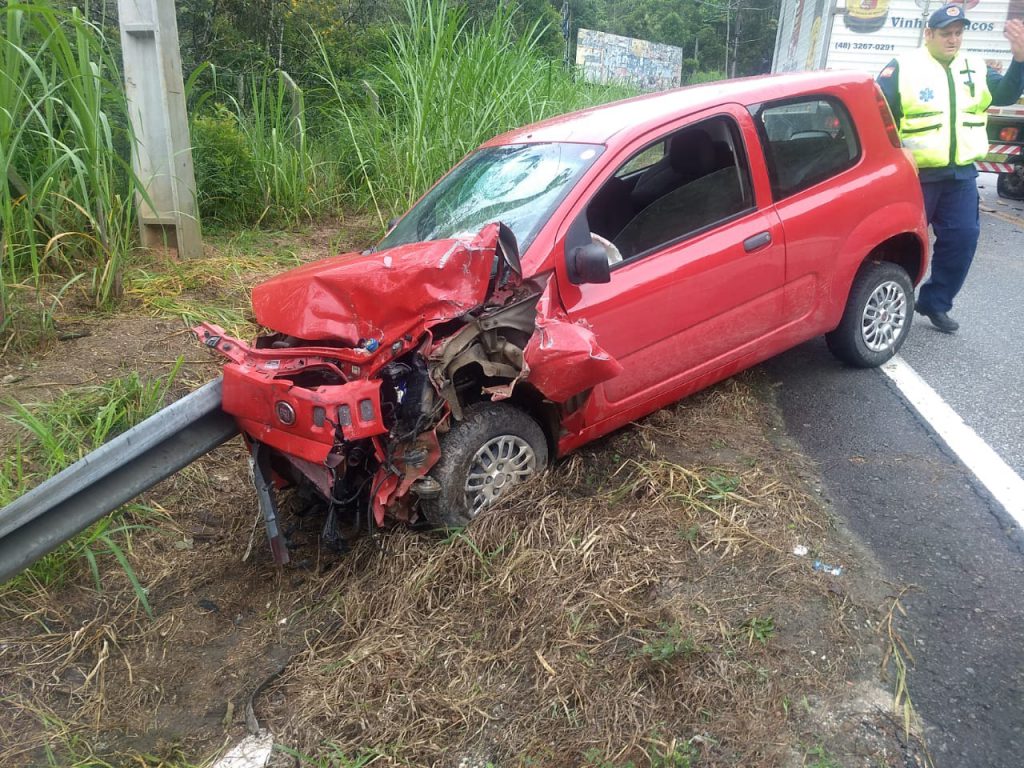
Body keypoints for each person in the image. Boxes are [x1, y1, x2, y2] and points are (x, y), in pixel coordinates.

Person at [877, 4, 1024, 333]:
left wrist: (1019, 60)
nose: (954, 39)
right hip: (916, 177)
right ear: (929, 34)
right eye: (946, 33)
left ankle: (935, 302)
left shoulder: (974, 65)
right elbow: (881, 114)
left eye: (958, 33)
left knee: (963, 239)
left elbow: (1005, 94)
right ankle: (879, 301)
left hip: (960, 175)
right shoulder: (903, 67)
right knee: (896, 242)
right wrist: (897, 151)